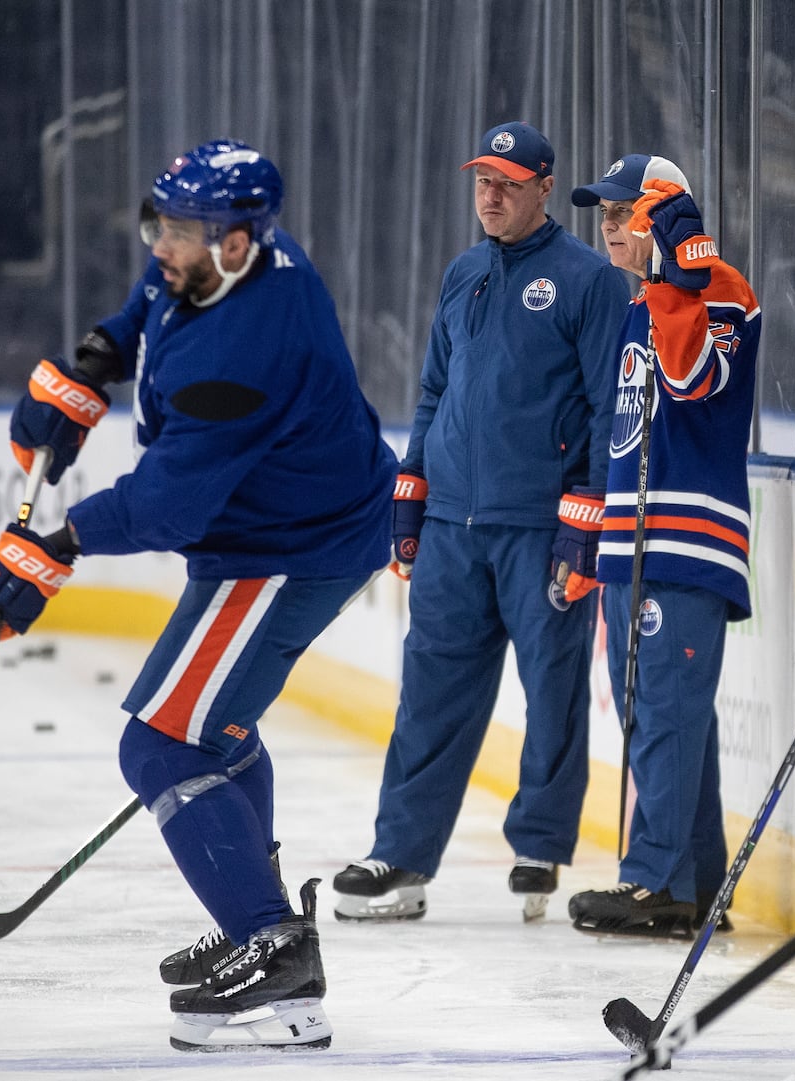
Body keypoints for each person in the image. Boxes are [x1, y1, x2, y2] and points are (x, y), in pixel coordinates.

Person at [0, 139, 398, 1050]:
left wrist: (50, 546)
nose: (162, 244)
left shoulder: (245, 349)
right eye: (159, 221)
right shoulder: (214, 268)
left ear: (239, 243)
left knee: (160, 743)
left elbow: (165, 502)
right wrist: (91, 361)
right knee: (212, 727)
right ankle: (259, 919)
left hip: (292, 548)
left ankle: (271, 945)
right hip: (272, 532)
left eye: (186, 231)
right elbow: (152, 306)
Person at [331, 122, 629, 923]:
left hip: (541, 527)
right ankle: (400, 855)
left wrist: (586, 521)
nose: (490, 195)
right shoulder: (463, 272)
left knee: (553, 689)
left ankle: (539, 842)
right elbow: (433, 390)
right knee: (428, 692)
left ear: (541, 188)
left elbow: (609, 409)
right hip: (454, 526)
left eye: (506, 183)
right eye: (481, 182)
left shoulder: (589, 281)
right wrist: (410, 486)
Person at [558, 155, 761, 938]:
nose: (607, 227)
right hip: (634, 537)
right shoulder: (638, 303)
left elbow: (690, 379)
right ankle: (697, 878)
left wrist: (682, 274)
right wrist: (593, 534)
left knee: (664, 710)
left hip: (685, 537)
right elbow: (622, 427)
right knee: (666, 714)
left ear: (660, 216)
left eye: (622, 213)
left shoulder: (720, 290)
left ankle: (655, 880)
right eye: (602, 215)